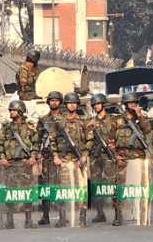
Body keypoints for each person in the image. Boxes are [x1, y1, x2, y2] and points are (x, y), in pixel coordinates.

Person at [51, 92, 91, 227]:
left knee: (81, 189)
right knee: (63, 189)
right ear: (66, 105)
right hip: (63, 160)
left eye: (74, 102)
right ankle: (62, 218)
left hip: (79, 160)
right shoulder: (58, 122)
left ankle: (82, 217)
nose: (72, 105)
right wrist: (55, 156)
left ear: (77, 105)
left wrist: (84, 155)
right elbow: (52, 140)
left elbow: (89, 140)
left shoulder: (83, 121)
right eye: (69, 103)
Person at [0, 100, 39, 229]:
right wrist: (2, 158)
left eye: (13, 110)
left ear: (20, 111)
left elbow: (36, 144)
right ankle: (9, 220)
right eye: (10, 110)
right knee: (10, 192)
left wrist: (33, 157)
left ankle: (28, 220)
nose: (10, 112)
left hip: (25, 163)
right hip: (10, 164)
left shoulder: (29, 127)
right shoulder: (5, 128)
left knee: (28, 192)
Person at [113, 92, 153, 226]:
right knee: (120, 187)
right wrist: (115, 155)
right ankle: (119, 215)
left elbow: (147, 130)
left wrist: (140, 115)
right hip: (122, 158)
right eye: (130, 104)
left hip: (137, 158)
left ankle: (140, 214)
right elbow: (110, 139)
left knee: (138, 188)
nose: (133, 106)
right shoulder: (118, 119)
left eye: (135, 103)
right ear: (125, 105)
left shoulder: (141, 118)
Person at [87, 93, 117, 224]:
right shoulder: (91, 122)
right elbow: (87, 139)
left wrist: (113, 144)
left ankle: (118, 213)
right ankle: (100, 213)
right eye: (94, 105)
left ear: (103, 104)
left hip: (108, 155)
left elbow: (117, 135)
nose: (97, 106)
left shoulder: (112, 120)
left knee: (113, 184)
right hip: (96, 156)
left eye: (98, 104)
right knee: (96, 184)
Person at [35, 91, 64, 225]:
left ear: (60, 102)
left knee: (60, 186)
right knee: (45, 187)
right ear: (48, 102)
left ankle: (62, 215)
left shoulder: (65, 119)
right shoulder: (43, 120)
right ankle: (45, 215)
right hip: (46, 157)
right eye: (51, 100)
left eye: (56, 100)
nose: (54, 102)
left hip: (61, 157)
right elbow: (38, 139)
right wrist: (36, 153)